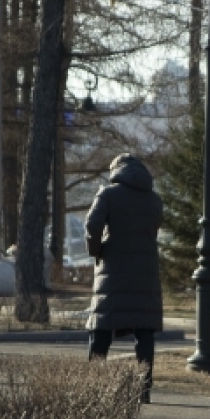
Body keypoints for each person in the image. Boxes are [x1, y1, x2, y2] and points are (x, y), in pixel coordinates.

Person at [84, 153, 163, 403]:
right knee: (144, 331)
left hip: (113, 271)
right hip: (145, 272)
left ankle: (94, 385)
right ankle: (144, 389)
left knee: (102, 329)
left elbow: (92, 225)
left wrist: (96, 250)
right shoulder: (154, 199)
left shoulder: (107, 194)